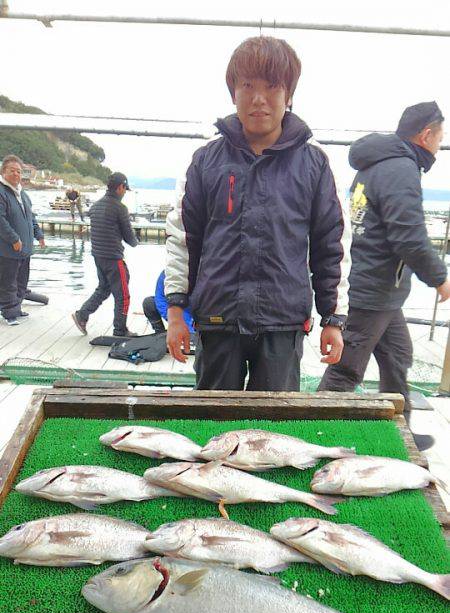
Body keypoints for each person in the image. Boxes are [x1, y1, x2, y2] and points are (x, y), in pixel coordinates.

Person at [165, 36, 350, 390]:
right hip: (217, 319)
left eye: (272, 86)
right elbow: (184, 239)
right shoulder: (206, 160)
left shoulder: (314, 164)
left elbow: (333, 246)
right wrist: (176, 312)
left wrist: (333, 318)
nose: (259, 98)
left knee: (274, 428)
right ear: (233, 92)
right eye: (247, 85)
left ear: (289, 94)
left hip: (283, 323)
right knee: (212, 426)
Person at [318, 101, 450, 449]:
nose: (440, 144)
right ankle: (312, 435)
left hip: (381, 290)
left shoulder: (375, 166)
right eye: (440, 137)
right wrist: (439, 277)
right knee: (345, 371)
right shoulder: (400, 169)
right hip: (371, 290)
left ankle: (399, 434)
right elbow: (408, 234)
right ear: (426, 135)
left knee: (397, 356)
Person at [72, 172, 138, 337]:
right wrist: (137, 241)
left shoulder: (96, 206)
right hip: (114, 258)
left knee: (104, 288)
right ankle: (120, 330)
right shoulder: (120, 208)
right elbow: (130, 238)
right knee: (123, 295)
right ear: (120, 187)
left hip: (98, 256)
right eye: (125, 189)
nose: (124, 192)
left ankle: (82, 314)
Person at [0, 154, 45, 326]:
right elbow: (1, 220)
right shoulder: (2, 192)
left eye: (19, 171)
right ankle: (8, 312)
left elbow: (31, 218)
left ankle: (16, 308)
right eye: (12, 171)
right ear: (4, 172)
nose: (16, 175)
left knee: (21, 280)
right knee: (8, 281)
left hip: (25, 248)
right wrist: (13, 238)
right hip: (8, 248)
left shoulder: (23, 194)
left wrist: (39, 235)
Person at [143, 269, 195, 335]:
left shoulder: (199, 273)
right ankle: (160, 334)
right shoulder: (166, 273)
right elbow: (160, 299)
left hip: (194, 314)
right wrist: (172, 319)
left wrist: (189, 328)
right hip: (175, 311)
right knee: (149, 303)